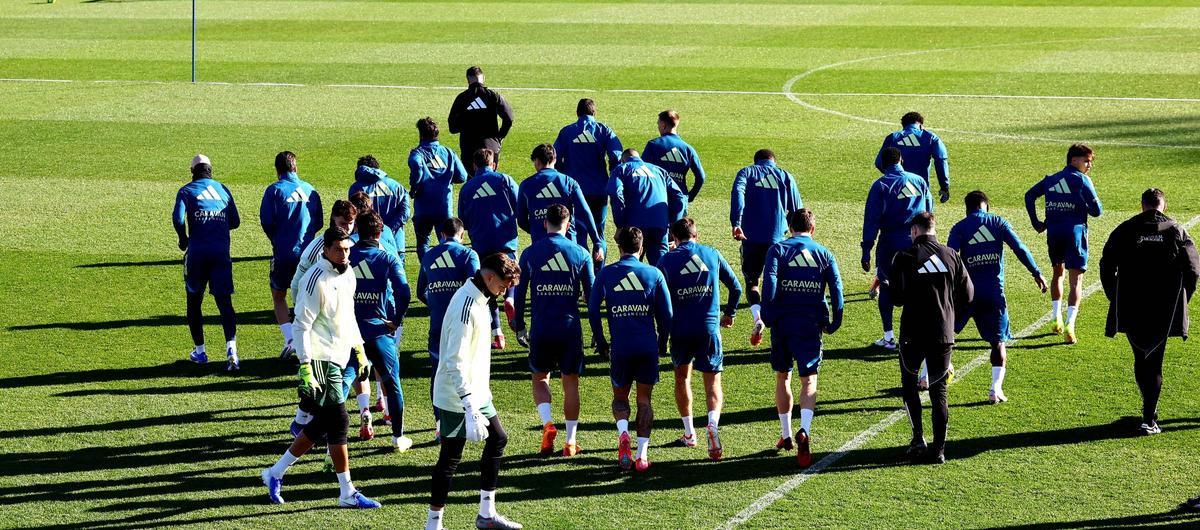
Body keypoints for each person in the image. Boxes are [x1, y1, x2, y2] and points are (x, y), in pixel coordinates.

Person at [261, 227, 381, 509]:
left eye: (348, 249)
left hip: (338, 357)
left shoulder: (349, 274)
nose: (344, 254)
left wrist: (360, 351)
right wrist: (305, 365)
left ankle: (275, 473)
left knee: (324, 423)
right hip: (318, 358)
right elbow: (302, 324)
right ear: (326, 249)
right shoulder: (315, 279)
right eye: (339, 250)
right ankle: (346, 492)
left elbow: (349, 316)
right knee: (339, 420)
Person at [426, 253, 522, 530]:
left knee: (498, 439)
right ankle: (433, 523)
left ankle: (487, 514)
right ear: (489, 277)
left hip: (478, 393)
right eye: (503, 286)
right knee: (450, 458)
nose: (504, 292)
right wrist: (468, 406)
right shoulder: (466, 307)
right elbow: (454, 362)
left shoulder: (481, 298)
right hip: (457, 396)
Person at [1100, 188, 1199, 436]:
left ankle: (1149, 411)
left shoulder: (1125, 229)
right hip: (1164, 308)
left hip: (1132, 305)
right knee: (1155, 361)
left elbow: (1106, 264)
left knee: (1140, 358)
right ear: (1163, 206)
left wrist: (1115, 295)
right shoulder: (1177, 231)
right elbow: (1193, 270)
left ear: (1142, 205)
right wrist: (1183, 298)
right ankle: (1148, 418)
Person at [760, 209, 843, 468]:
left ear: (789, 226)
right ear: (813, 229)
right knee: (809, 380)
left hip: (783, 322)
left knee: (782, 376)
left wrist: (767, 314)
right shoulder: (824, 253)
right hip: (810, 324)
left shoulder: (778, 250)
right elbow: (837, 288)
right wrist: (835, 321)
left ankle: (786, 435)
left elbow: (769, 283)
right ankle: (804, 430)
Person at [947, 191, 1047, 402]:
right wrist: (1036, 273)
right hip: (994, 294)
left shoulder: (959, 227)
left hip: (966, 294)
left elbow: (949, 258)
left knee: (945, 335)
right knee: (998, 342)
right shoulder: (998, 223)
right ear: (987, 207)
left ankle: (927, 376)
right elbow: (1019, 248)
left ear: (967, 209)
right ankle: (995, 390)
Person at [890, 212, 973, 464]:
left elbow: (896, 298)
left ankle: (917, 439)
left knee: (909, 385)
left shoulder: (903, 257)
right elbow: (969, 295)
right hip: (942, 333)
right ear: (933, 228)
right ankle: (939, 450)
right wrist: (950, 316)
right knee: (939, 391)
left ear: (915, 230)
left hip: (912, 333)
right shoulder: (951, 255)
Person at [512, 204, 595, 457]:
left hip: (542, 326)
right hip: (570, 327)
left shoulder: (529, 254)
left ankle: (548, 424)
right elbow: (591, 296)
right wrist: (596, 332)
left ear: (544, 223)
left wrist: (519, 326)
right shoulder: (580, 253)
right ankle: (570, 442)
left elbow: (519, 293)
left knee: (540, 377)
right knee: (570, 383)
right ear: (568, 225)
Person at [656, 217, 741, 460]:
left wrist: (663, 333)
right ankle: (712, 424)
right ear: (697, 234)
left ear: (673, 238)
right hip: (709, 329)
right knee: (712, 382)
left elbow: (659, 300)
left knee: (682, 378)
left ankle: (689, 433)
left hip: (680, 330)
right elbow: (736, 287)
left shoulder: (666, 260)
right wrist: (729, 314)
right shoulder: (711, 253)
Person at [588, 227, 673, 472]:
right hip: (646, 346)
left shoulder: (607, 274)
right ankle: (642, 455)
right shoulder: (653, 273)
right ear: (642, 247)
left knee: (620, 397)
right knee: (644, 399)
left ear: (619, 247)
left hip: (621, 347)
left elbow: (593, 310)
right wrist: (663, 341)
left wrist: (601, 341)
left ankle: (623, 433)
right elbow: (666, 314)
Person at [285, 199, 357, 435]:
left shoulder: (345, 257)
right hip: (316, 320)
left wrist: (359, 346)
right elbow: (302, 285)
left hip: (334, 331)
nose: (347, 228)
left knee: (323, 398)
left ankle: (301, 424)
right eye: (342, 223)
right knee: (337, 418)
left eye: (351, 223)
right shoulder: (321, 253)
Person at [1024, 143, 1102, 344]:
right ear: (1074, 160)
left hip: (1054, 234)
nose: (1089, 165)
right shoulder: (1082, 180)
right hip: (1075, 235)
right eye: (1086, 161)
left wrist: (1036, 222)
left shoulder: (1051, 180)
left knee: (1057, 274)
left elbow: (1029, 195)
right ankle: (1070, 325)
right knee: (1076, 281)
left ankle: (1056, 317)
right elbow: (1097, 211)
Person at [350, 212, 414, 451]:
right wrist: (395, 320)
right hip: (378, 330)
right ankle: (398, 437)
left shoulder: (345, 255)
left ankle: (329, 445)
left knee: (341, 384)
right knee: (391, 382)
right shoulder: (387, 257)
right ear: (380, 232)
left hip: (348, 332)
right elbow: (404, 293)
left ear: (357, 228)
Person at [173, 154, 241, 371]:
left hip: (197, 253)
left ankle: (200, 352)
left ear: (192, 171)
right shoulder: (222, 189)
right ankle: (232, 349)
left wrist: (183, 238)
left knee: (194, 301)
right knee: (224, 303)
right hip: (221, 252)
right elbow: (235, 221)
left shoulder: (186, 191)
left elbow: (177, 218)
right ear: (210, 170)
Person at [862, 146, 933, 350]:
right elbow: (930, 212)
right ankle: (916, 336)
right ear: (901, 160)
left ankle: (889, 336)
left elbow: (871, 221)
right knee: (919, 288)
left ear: (883, 165)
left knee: (886, 285)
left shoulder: (880, 185)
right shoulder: (919, 181)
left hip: (891, 244)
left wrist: (866, 250)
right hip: (919, 243)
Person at [730, 149, 803, 347]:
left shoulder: (747, 173)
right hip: (778, 240)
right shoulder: (785, 175)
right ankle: (783, 323)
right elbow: (797, 210)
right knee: (779, 281)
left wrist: (736, 222)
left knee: (753, 283)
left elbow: (738, 193)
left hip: (751, 238)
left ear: (756, 161)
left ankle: (758, 319)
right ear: (773, 161)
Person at [417, 218, 480, 439]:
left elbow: (419, 292)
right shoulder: (468, 255)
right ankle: (469, 417)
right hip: (463, 324)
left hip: (437, 324)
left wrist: (437, 304)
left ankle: (439, 424)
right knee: (467, 368)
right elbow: (476, 287)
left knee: (438, 372)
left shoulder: (429, 255)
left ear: (441, 234)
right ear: (462, 235)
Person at [260, 151, 323, 358]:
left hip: (284, 252)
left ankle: (291, 339)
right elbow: (320, 221)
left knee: (279, 295)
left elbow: (267, 222)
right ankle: (308, 340)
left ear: (277, 170)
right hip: (310, 253)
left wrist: (277, 240)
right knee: (306, 297)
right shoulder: (310, 189)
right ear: (295, 167)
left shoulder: (274, 191)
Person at [553, 98, 622, 271]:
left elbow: (554, 157)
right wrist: (611, 172)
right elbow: (616, 156)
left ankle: (583, 276)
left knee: (578, 233)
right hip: (599, 190)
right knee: (599, 233)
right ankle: (597, 275)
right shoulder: (604, 130)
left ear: (577, 113)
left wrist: (564, 172)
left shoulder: (567, 132)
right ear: (594, 113)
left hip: (574, 191)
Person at [458, 148, 520, 339]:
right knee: (511, 274)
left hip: (481, 244)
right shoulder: (505, 180)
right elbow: (520, 207)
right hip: (506, 241)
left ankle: (497, 332)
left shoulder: (467, 188)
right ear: (493, 164)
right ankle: (510, 297)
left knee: (487, 286)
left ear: (474, 166)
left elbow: (463, 220)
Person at [516, 144, 605, 267]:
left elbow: (521, 220)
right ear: (555, 160)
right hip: (569, 245)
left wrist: (538, 229)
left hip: (540, 245)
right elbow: (585, 212)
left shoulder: (526, 185)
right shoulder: (569, 182)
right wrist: (597, 241)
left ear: (536, 161)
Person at [608, 149, 688, 266]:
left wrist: (620, 225)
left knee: (632, 266)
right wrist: (673, 224)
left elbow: (615, 193)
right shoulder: (659, 170)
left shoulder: (622, 169)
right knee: (661, 267)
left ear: (622, 160)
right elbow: (679, 197)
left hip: (634, 226)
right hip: (659, 225)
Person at [409, 117, 469, 262]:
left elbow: (417, 168)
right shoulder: (448, 152)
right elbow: (462, 176)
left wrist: (414, 187)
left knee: (423, 243)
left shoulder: (417, 153)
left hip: (423, 208)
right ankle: (450, 270)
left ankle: (427, 271)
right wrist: (445, 179)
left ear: (421, 134)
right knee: (448, 241)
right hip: (444, 207)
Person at [448, 66, 514, 174]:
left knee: (472, 183)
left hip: (469, 148)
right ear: (483, 78)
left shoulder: (462, 98)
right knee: (491, 181)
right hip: (490, 147)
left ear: (468, 80)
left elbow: (452, 127)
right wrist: (500, 136)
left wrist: (467, 123)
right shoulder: (493, 96)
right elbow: (509, 118)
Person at [874, 112, 950, 203]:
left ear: (903, 125)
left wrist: (893, 176)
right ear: (921, 124)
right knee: (923, 216)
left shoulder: (893, 137)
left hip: (896, 188)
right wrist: (944, 186)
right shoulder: (931, 138)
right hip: (920, 188)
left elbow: (879, 162)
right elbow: (941, 161)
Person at [349, 155, 411, 262]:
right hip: (396, 242)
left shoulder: (356, 188)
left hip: (367, 243)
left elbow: (354, 214)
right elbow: (405, 213)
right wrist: (388, 229)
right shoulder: (397, 186)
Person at [643, 109, 705, 202]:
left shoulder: (653, 145)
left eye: (658, 124)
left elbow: (642, 171)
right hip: (680, 199)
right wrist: (690, 196)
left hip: (659, 197)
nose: (658, 127)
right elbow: (701, 176)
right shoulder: (688, 149)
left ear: (663, 125)